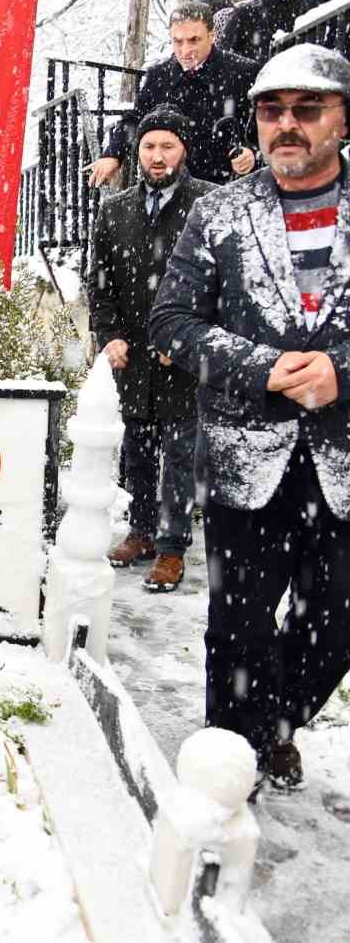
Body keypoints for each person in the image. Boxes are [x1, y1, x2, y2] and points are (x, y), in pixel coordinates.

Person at [149, 43, 350, 790]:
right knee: (238, 622)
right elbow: (172, 320)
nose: (287, 125)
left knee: (336, 621)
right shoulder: (219, 212)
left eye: (307, 108)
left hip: (343, 455)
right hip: (242, 454)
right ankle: (226, 765)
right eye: (273, 110)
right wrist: (263, 367)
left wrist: (342, 371)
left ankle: (276, 722)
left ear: (342, 117)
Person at [89, 106, 216, 590]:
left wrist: (185, 338)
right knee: (138, 451)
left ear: (183, 149)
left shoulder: (208, 204)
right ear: (136, 152)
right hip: (133, 355)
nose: (158, 156)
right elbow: (100, 284)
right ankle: (141, 531)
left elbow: (220, 286)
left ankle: (171, 547)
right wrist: (109, 336)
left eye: (167, 146)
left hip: (183, 357)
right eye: (149, 147)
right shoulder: (114, 209)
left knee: (181, 455)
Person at [89, 3, 260, 188]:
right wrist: (112, 155)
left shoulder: (243, 73)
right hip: (170, 188)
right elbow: (134, 120)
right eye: (178, 41)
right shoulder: (158, 76)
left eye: (194, 40)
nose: (185, 50)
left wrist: (251, 153)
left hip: (223, 188)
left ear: (212, 36)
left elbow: (261, 128)